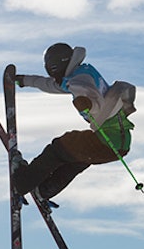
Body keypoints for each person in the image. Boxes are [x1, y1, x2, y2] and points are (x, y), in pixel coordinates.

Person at [11, 42, 136, 201]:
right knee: (76, 159)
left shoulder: (79, 79)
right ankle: (44, 190)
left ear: (54, 66)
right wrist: (24, 80)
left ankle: (22, 182)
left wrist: (88, 104)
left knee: (58, 149)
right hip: (119, 145)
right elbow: (50, 85)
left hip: (107, 140)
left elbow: (94, 100)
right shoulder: (78, 73)